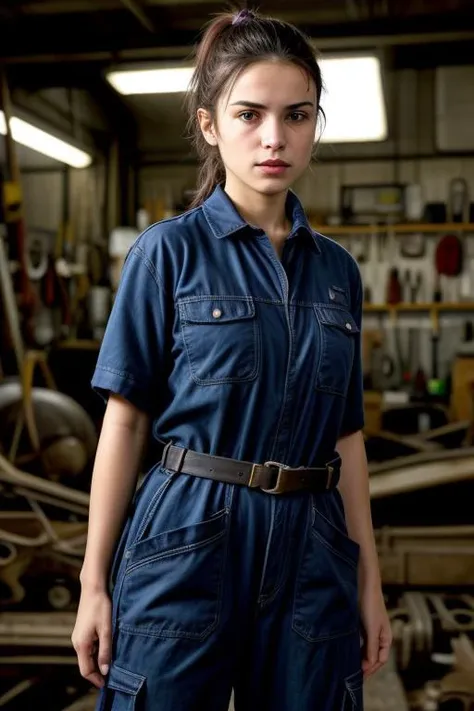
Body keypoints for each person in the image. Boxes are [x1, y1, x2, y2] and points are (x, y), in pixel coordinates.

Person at [72, 7, 392, 711]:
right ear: (211, 124)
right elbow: (123, 426)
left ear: (316, 124)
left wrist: (369, 581)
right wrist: (94, 582)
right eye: (250, 114)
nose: (275, 137)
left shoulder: (338, 272)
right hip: (189, 535)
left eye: (297, 115)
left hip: (313, 543)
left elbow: (347, 437)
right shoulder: (167, 253)